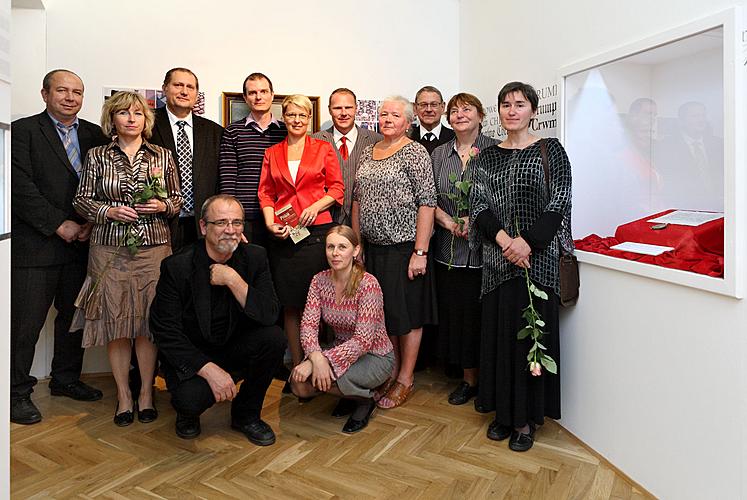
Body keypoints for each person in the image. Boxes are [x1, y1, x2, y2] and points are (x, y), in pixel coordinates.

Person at [470, 82, 572, 452]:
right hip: (499, 266)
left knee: (531, 341)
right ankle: (503, 413)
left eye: (519, 104)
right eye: (505, 105)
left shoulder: (551, 151)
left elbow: (558, 202)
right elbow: (478, 206)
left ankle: (526, 421)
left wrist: (527, 243)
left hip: (537, 264)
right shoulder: (486, 157)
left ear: (533, 109)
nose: (512, 111)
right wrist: (505, 243)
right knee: (500, 337)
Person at [72, 91, 183, 427]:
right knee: (116, 323)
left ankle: (147, 393)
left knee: (148, 324)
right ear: (113, 119)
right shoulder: (96, 155)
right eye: (124, 113)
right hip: (109, 249)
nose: (131, 118)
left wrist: (163, 206)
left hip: (154, 249)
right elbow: (81, 200)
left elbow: (177, 200)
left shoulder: (162, 155)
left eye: (137, 112)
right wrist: (107, 211)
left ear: (146, 119)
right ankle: (123, 396)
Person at [10, 69, 108, 424]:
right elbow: (18, 187)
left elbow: (103, 185)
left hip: (82, 245)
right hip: (36, 248)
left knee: (73, 319)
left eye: (77, 92)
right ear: (44, 93)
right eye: (62, 91)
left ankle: (66, 380)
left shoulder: (94, 134)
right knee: (25, 324)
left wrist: (89, 223)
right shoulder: (23, 132)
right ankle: (16, 392)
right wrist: (58, 224)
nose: (70, 97)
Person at [150, 194, 286, 445]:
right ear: (203, 227)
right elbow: (164, 330)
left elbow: (269, 314)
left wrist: (234, 280)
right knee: (189, 401)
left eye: (237, 223)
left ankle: (246, 415)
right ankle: (187, 415)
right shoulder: (177, 266)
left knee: (274, 338)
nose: (230, 230)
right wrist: (208, 370)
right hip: (195, 357)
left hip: (234, 348)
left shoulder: (255, 257)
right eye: (221, 222)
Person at [352, 96, 437, 409]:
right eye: (383, 113)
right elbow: (358, 201)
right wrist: (357, 242)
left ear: (408, 120)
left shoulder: (414, 152)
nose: (387, 118)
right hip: (373, 250)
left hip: (404, 248)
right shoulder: (367, 151)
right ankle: (391, 370)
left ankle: (405, 377)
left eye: (395, 114)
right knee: (385, 316)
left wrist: (420, 251)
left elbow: (427, 202)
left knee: (409, 315)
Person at [258, 94, 344, 370]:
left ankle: (322, 364)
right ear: (283, 117)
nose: (296, 120)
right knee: (291, 305)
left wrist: (316, 206)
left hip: (317, 234)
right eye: (291, 114)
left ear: (310, 119)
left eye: (302, 115)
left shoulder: (323, 148)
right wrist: (271, 223)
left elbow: (337, 188)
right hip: (285, 236)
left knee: (321, 303)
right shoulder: (272, 153)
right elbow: (266, 193)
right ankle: (297, 366)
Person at [290, 225, 394, 433]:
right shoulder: (319, 281)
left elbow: (363, 341)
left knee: (330, 376)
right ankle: (349, 395)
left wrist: (322, 361)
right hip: (339, 349)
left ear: (355, 251)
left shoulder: (368, 284)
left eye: (342, 247)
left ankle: (366, 400)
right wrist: (315, 358)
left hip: (375, 356)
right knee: (298, 384)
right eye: (330, 247)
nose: (335, 253)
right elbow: (308, 326)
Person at [431, 93, 498, 406]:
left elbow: (503, 196)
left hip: (488, 251)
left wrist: (478, 219)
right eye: (454, 111)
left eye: (466, 109)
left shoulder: (496, 149)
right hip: (448, 250)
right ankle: (469, 380)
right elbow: (428, 197)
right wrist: (446, 220)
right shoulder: (438, 154)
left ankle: (492, 381)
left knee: (486, 318)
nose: (459, 115)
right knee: (459, 318)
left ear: (481, 115)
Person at [150, 67, 224, 251]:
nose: (184, 91)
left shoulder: (214, 132)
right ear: (164, 88)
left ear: (196, 93)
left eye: (190, 87)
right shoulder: (146, 126)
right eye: (178, 85)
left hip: (202, 223)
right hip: (159, 222)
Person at [219, 72, 287, 247]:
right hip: (246, 218)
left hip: (281, 216)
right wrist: (232, 223)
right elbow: (227, 179)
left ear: (272, 95)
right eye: (252, 93)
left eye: (264, 91)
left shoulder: (286, 132)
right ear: (245, 97)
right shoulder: (232, 132)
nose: (258, 97)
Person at [312, 88, 382, 225]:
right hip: (325, 222)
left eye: (348, 107)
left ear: (356, 108)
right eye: (337, 108)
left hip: (365, 223)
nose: (343, 113)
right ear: (330, 110)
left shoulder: (377, 141)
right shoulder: (315, 141)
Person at [408, 86, 455, 155]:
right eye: (423, 105)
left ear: (442, 107)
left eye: (434, 105)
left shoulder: (454, 138)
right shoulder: (407, 138)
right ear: (415, 108)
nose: (429, 110)